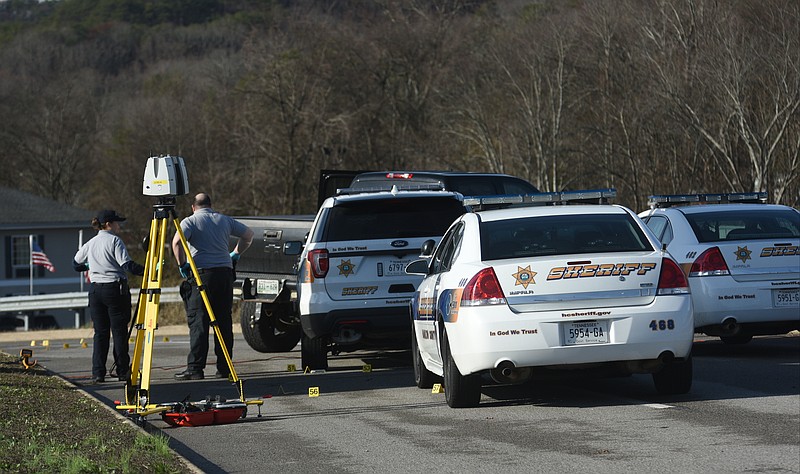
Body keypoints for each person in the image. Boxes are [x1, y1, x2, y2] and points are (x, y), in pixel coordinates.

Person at [171, 192, 253, 380]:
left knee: (199, 321)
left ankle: (195, 369)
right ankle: (224, 368)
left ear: (194, 207)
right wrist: (235, 253)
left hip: (201, 275)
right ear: (210, 205)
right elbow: (248, 235)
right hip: (224, 274)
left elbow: (176, 242)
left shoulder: (189, 222)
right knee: (222, 321)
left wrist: (182, 264)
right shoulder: (224, 220)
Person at [73, 210, 144, 384]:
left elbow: (76, 264)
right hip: (114, 289)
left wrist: (91, 266)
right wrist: (149, 270)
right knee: (119, 332)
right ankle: (121, 371)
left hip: (96, 291)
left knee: (100, 333)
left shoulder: (91, 242)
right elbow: (127, 265)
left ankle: (98, 373)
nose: (119, 226)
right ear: (108, 224)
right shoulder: (114, 241)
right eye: (117, 223)